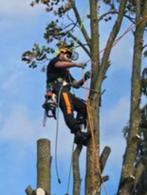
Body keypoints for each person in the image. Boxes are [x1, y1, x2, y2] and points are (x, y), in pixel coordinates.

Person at [45, 47, 91, 146]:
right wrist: (75, 64)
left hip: (67, 92)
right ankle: (77, 132)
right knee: (68, 109)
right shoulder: (55, 61)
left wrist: (85, 78)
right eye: (67, 55)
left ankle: (79, 131)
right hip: (59, 90)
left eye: (70, 56)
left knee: (83, 107)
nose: (68, 57)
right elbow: (59, 64)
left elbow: (76, 85)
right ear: (61, 54)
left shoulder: (66, 73)